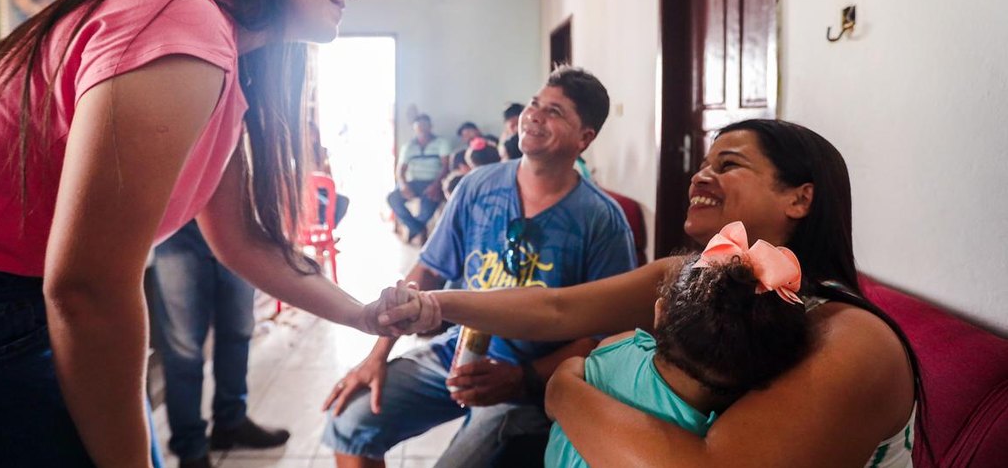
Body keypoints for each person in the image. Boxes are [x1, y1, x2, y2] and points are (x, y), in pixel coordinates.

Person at [0, 0, 416, 467]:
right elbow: (87, 287)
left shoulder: (213, 49)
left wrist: (359, 313)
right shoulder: (182, 20)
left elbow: (243, 240)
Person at [386, 119, 928, 468]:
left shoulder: (847, 336)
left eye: (729, 164)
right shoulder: (697, 275)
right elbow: (558, 307)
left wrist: (565, 391)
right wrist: (434, 304)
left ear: (800, 199)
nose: (701, 176)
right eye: (704, 163)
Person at [322, 67, 638, 468]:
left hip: (530, 379)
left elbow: (604, 338)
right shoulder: (478, 187)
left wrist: (523, 378)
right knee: (350, 420)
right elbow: (429, 272)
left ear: (584, 138)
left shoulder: (600, 220)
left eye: (555, 112)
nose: (534, 115)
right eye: (535, 104)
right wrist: (377, 355)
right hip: (456, 352)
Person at [545, 220, 811, 467]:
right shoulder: (719, 434)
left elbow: (566, 378)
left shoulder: (620, 347)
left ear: (660, 313)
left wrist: (569, 370)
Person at [149, 220, 290, 468]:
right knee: (183, 351)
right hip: (177, 229)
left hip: (237, 223)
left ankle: (231, 423)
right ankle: (190, 449)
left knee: (238, 331)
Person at [386, 113, 451, 245]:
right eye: (418, 127)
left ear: (430, 127)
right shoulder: (408, 146)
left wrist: (436, 185)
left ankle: (414, 230)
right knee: (392, 198)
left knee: (428, 207)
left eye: (424, 126)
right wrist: (403, 185)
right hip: (413, 183)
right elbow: (400, 170)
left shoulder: (441, 143)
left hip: (434, 182)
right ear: (414, 129)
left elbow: (446, 166)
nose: (421, 129)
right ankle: (418, 229)